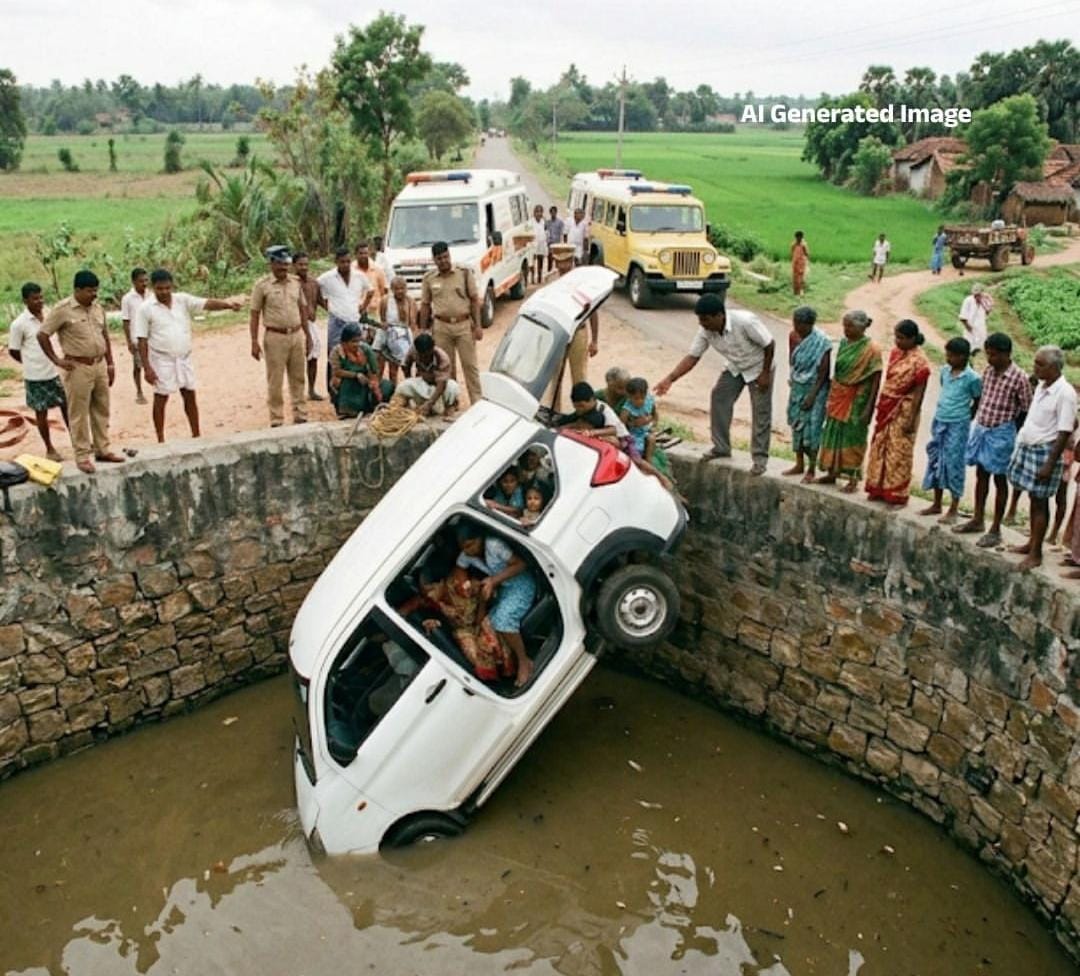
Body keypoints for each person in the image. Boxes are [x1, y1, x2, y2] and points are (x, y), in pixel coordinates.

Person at [655, 294, 775, 476]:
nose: (703, 324)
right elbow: (693, 357)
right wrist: (670, 379)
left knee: (761, 412)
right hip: (736, 366)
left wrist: (765, 373)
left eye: (706, 320)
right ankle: (721, 447)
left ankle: (760, 459)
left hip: (760, 366)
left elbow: (769, 343)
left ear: (719, 315)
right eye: (700, 320)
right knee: (719, 397)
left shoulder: (744, 322)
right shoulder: (706, 330)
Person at [134, 269, 242, 443]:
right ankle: (160, 439)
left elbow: (206, 303)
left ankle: (196, 434)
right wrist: (147, 367)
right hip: (161, 359)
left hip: (183, 357)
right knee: (161, 397)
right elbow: (142, 340)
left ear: (172, 286)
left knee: (189, 394)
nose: (164, 292)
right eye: (160, 289)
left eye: (167, 288)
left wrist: (228, 305)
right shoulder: (145, 309)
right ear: (153, 288)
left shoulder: (182, 300)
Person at [37, 270, 124, 475]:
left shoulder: (97, 308)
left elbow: (105, 336)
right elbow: (42, 334)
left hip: (99, 364)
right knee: (78, 413)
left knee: (102, 408)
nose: (93, 294)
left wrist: (110, 364)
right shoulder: (63, 310)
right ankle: (82, 455)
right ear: (77, 290)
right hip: (77, 367)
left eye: (95, 290)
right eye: (89, 291)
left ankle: (102, 449)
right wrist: (57, 360)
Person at [954, 333, 1032, 548]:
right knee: (981, 475)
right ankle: (978, 519)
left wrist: (1011, 433)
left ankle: (995, 528)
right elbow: (982, 399)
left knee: (999, 479)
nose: (990, 358)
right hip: (983, 428)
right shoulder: (988, 371)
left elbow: (1025, 410)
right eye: (988, 354)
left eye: (994, 355)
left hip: (1002, 432)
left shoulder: (1019, 378)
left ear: (1007, 354)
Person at [1006, 346, 1076, 571]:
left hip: (1046, 451)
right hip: (1029, 445)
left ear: (1054, 367)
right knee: (1033, 498)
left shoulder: (1065, 393)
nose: (1034, 368)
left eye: (1040, 364)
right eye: (1035, 362)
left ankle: (1036, 553)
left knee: (1040, 502)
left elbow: (1064, 432)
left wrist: (1049, 464)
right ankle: (1031, 543)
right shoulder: (1041, 386)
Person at [401, 565, 515, 683]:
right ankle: (492, 680)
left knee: (490, 635)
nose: (429, 594)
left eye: (431, 589)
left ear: (441, 583)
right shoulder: (432, 600)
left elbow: (480, 614)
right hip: (463, 630)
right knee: (467, 644)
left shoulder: (463, 586)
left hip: (482, 617)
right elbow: (410, 606)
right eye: (426, 592)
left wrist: (482, 602)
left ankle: (507, 670)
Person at [457, 528, 538, 687]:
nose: (467, 551)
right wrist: (467, 584)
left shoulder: (494, 545)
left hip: (520, 584)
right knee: (490, 622)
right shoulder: (468, 554)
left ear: (480, 539)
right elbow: (459, 568)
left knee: (503, 620)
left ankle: (524, 661)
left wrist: (494, 581)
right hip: (505, 589)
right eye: (464, 548)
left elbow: (520, 564)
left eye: (470, 545)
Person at [864, 320, 931, 506]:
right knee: (880, 446)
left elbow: (919, 393)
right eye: (896, 337)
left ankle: (896, 491)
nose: (897, 341)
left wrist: (910, 419)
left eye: (901, 338)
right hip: (886, 406)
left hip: (903, 411)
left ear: (912, 339)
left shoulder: (920, 362)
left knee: (898, 451)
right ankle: (877, 486)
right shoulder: (895, 353)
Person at [816, 310, 883, 493]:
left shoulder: (872, 349)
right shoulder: (844, 343)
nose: (846, 330)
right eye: (844, 326)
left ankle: (853, 478)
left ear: (861, 327)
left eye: (850, 326)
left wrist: (869, 407)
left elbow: (876, 379)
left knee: (853, 436)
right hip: (838, 394)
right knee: (832, 433)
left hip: (857, 399)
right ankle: (832, 471)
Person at [920, 337, 982, 523]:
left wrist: (968, 415)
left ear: (963, 357)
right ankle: (936, 502)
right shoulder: (945, 372)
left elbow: (977, 400)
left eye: (953, 356)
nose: (949, 359)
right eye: (947, 355)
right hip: (940, 419)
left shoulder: (972, 378)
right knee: (936, 460)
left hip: (958, 423)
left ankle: (953, 508)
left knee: (954, 462)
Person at [249, 246, 311, 427]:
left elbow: (303, 309)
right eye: (280, 266)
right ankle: (276, 418)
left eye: (286, 266)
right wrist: (254, 341)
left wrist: (308, 336)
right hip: (275, 337)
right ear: (272, 264)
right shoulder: (262, 286)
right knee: (275, 380)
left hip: (296, 333)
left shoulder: (295, 283)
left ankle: (300, 414)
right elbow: (254, 314)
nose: (284, 269)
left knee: (298, 377)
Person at [7, 282, 68, 461]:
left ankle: (77, 442)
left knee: (67, 407)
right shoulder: (19, 324)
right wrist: (30, 363)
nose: (39, 301)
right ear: (25, 300)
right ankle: (49, 448)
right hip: (36, 376)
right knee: (41, 413)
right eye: (35, 298)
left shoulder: (49, 315)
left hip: (56, 372)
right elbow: (14, 350)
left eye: (41, 297)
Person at [419, 241, 482, 405]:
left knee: (470, 366)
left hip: (463, 325)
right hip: (441, 327)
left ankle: (477, 401)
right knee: (446, 367)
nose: (443, 261)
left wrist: (478, 326)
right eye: (439, 258)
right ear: (434, 260)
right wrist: (423, 329)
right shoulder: (429, 279)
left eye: (446, 256)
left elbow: (475, 300)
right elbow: (425, 305)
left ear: (450, 255)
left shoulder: (464, 273)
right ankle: (451, 402)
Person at [783, 305, 831, 483]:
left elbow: (823, 373)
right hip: (797, 387)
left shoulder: (822, 341)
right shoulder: (793, 336)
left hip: (815, 389)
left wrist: (812, 395)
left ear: (809, 324)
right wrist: (794, 379)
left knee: (812, 428)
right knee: (796, 424)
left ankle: (811, 468)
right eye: (794, 322)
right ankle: (798, 463)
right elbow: (792, 360)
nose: (796, 327)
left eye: (800, 324)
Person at [317, 247, 372, 391]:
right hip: (337, 322)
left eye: (348, 261)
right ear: (336, 262)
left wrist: (363, 307)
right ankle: (333, 389)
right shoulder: (326, 278)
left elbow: (370, 291)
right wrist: (326, 307)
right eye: (342, 262)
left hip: (354, 321)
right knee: (334, 354)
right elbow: (315, 288)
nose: (346, 265)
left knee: (356, 354)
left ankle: (355, 388)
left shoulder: (359, 276)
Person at [552, 243, 599, 384]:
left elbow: (593, 311)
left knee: (579, 377)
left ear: (572, 261)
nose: (562, 266)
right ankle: (555, 407)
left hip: (578, 331)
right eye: (559, 262)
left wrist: (595, 340)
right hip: (557, 332)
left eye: (565, 261)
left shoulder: (581, 282)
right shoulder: (551, 281)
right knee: (554, 377)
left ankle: (580, 406)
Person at [328, 323, 393, 419]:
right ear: (344, 343)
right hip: (347, 381)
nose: (357, 344)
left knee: (387, 387)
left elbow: (375, 369)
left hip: (366, 380)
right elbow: (337, 371)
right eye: (353, 342)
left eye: (358, 341)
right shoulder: (336, 352)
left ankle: (370, 407)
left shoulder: (366, 349)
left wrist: (373, 383)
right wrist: (356, 375)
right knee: (343, 383)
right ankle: (347, 410)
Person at [396, 332, 459, 416]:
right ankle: (405, 407)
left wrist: (429, 404)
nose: (424, 358)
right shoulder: (413, 350)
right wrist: (409, 378)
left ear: (432, 349)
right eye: (421, 355)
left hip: (438, 387)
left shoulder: (443, 358)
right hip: (422, 383)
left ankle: (450, 406)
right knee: (402, 386)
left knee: (453, 387)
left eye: (427, 355)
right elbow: (405, 366)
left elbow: (442, 384)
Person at [293, 252, 323, 401]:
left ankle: (311, 390)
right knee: (297, 359)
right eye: (300, 264)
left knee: (313, 357)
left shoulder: (314, 283)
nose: (304, 267)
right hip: (297, 325)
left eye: (306, 264)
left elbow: (322, 302)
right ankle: (297, 392)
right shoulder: (292, 284)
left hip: (312, 324)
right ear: (294, 266)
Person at [376, 276, 418, 383]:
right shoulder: (385, 301)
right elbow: (382, 319)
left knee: (405, 365)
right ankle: (390, 391)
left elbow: (413, 322)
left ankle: (410, 388)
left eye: (402, 288)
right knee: (388, 366)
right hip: (389, 335)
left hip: (404, 337)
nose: (400, 291)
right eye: (396, 289)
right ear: (392, 289)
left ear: (406, 288)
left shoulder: (411, 301)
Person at [120, 267, 149, 404]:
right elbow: (126, 321)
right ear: (133, 282)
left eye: (145, 280)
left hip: (152, 337)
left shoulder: (151, 296)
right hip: (137, 338)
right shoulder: (127, 299)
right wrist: (129, 342)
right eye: (140, 281)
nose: (144, 284)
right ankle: (139, 391)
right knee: (138, 366)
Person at [621, 376, 658, 462]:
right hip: (633, 434)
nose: (640, 401)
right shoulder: (627, 410)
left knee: (651, 439)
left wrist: (652, 424)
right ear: (629, 396)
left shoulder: (649, 401)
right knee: (636, 450)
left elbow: (655, 415)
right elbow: (621, 427)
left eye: (642, 398)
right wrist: (633, 425)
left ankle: (649, 461)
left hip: (646, 431)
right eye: (636, 398)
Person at [354, 240, 388, 322]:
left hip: (374, 313)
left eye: (365, 253)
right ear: (356, 254)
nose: (363, 256)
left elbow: (385, 292)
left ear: (369, 253)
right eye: (360, 253)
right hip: (355, 312)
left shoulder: (377, 269)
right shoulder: (351, 269)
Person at [958, 282, 992, 356]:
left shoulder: (984, 301)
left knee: (980, 348)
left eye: (979, 295)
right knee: (969, 348)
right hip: (970, 328)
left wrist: (988, 299)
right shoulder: (968, 300)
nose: (978, 297)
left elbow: (989, 310)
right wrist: (969, 328)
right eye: (976, 295)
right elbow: (963, 317)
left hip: (981, 328)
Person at [529, 204, 548, 285]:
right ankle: (532, 277)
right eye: (537, 212)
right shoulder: (530, 222)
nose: (539, 213)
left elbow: (546, 231)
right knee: (532, 261)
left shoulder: (544, 221)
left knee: (540, 260)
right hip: (533, 244)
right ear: (534, 213)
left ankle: (539, 277)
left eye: (540, 212)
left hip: (541, 243)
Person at [545, 205, 565, 274]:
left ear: (556, 213)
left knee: (557, 259)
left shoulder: (560, 222)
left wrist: (562, 243)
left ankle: (557, 273)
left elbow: (562, 233)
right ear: (550, 213)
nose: (553, 214)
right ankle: (549, 271)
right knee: (550, 258)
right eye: (551, 212)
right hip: (550, 243)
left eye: (554, 212)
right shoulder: (547, 222)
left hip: (557, 243)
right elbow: (545, 231)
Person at [790, 230, 810, 296]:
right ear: (796, 237)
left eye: (800, 237)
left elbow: (807, 253)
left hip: (802, 263)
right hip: (795, 263)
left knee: (801, 277)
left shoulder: (804, 245)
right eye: (797, 237)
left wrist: (807, 262)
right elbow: (792, 253)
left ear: (802, 237)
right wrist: (793, 261)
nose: (799, 238)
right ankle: (795, 291)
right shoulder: (793, 244)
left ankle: (801, 290)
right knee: (795, 276)